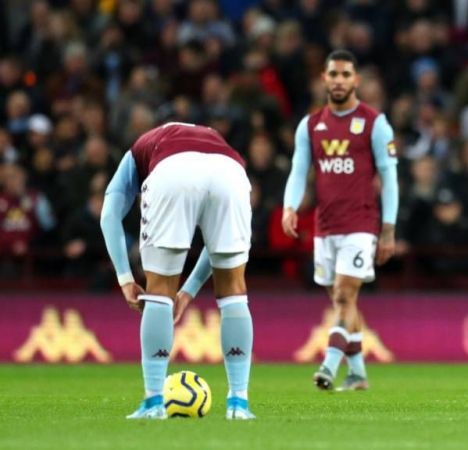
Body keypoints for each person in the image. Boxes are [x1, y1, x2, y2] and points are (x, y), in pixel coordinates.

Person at [100, 121, 256, 420]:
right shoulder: (218, 142)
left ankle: (154, 402)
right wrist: (189, 290)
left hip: (172, 172)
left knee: (159, 292)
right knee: (234, 290)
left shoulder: (141, 148)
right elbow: (216, 247)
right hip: (231, 174)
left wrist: (125, 278)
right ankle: (239, 403)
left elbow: (110, 214)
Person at [282, 49, 399, 391]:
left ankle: (329, 366)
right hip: (325, 226)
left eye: (345, 75)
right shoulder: (310, 125)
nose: (338, 81)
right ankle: (359, 373)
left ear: (355, 80)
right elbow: (298, 170)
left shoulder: (375, 123)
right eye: (333, 74)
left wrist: (388, 228)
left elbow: (390, 178)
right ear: (324, 79)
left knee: (345, 297)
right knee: (342, 301)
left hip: (361, 225)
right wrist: (290, 206)